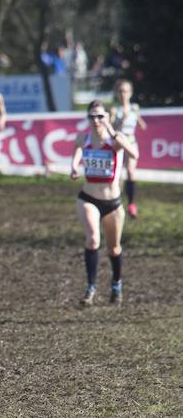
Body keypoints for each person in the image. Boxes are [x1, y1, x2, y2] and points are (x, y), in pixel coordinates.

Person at [71, 100, 139, 306]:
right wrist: (74, 166)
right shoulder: (83, 137)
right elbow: (77, 153)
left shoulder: (116, 140)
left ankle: (116, 284)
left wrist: (113, 131)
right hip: (88, 198)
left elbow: (134, 154)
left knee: (114, 248)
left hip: (113, 203)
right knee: (92, 240)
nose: (96, 120)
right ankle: (90, 288)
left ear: (107, 118)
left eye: (100, 116)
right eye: (92, 116)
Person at [111, 80, 147, 218]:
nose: (123, 94)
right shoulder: (114, 110)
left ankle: (131, 204)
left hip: (131, 142)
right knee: (118, 175)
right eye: (120, 91)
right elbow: (112, 130)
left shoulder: (134, 108)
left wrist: (138, 119)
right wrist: (121, 120)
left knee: (131, 172)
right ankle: (116, 204)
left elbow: (142, 125)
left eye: (125, 91)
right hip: (119, 142)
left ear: (130, 93)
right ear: (116, 93)